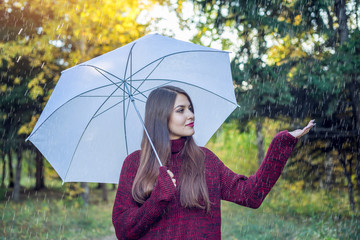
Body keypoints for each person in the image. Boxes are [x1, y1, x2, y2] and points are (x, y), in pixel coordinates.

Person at [112, 85, 315, 239]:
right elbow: (123, 231)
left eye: (190, 108)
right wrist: (157, 199)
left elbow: (251, 195)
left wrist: (281, 144)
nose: (191, 115)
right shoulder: (134, 164)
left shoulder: (204, 160)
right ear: (160, 116)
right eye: (181, 110)